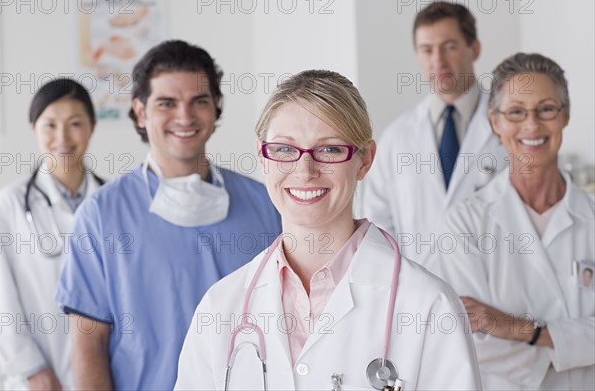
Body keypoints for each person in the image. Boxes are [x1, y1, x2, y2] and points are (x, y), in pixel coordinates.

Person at [175, 70, 481, 390]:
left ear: (364, 160)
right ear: (262, 158)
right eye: (284, 149)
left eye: (330, 149)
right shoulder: (221, 307)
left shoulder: (428, 304)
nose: (305, 170)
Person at [54, 40, 281, 390]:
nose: (185, 117)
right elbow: (88, 346)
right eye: (167, 103)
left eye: (199, 101)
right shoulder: (102, 217)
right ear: (141, 111)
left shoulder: (267, 205)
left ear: (216, 106)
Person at [434, 53, 595, 390]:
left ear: (565, 115)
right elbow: (473, 344)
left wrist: (522, 330)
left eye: (546, 109)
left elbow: (493, 331)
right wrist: (573, 343)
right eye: (516, 112)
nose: (532, 125)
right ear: (495, 121)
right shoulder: (465, 224)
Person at [363, 1, 507, 266]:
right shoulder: (397, 138)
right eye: (426, 50)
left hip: (494, 294)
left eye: (449, 47)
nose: (437, 60)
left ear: (474, 49)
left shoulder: (509, 127)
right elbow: (378, 226)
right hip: (420, 295)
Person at [0, 78, 103, 390]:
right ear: (34, 129)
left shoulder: (110, 202)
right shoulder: (10, 205)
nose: (63, 137)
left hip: (104, 371)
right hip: (37, 377)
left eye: (75, 123)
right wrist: (31, 369)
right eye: (50, 125)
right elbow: (0, 299)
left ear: (92, 127)